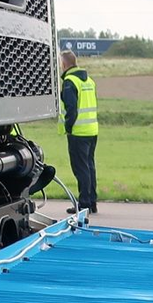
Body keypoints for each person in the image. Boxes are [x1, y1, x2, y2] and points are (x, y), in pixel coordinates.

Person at [60, 50, 98, 213]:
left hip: (78, 132)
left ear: (64, 64)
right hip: (92, 130)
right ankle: (92, 202)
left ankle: (84, 204)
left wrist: (68, 127)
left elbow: (71, 109)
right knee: (89, 167)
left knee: (80, 169)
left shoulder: (70, 82)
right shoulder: (89, 80)